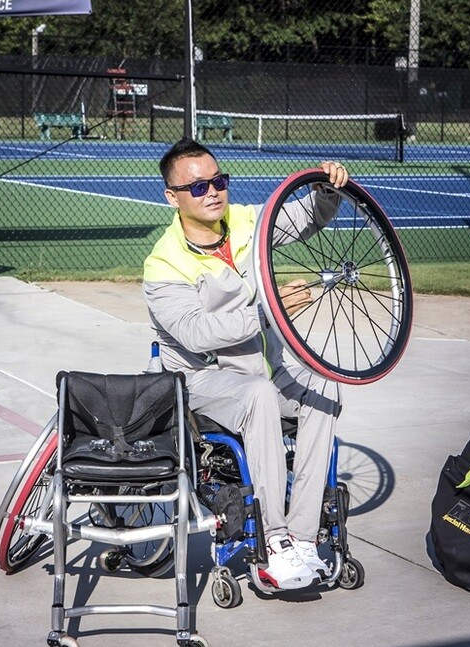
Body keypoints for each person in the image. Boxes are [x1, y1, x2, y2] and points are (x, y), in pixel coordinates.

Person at [143, 138, 348, 590]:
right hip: (201, 383)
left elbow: (307, 216)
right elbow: (198, 333)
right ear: (171, 197)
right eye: (197, 187)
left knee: (325, 387)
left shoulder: (249, 221)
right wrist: (268, 311)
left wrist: (328, 190)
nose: (213, 192)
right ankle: (273, 541)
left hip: (262, 374)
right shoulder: (162, 265)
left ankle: (303, 535)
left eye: (219, 181)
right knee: (256, 393)